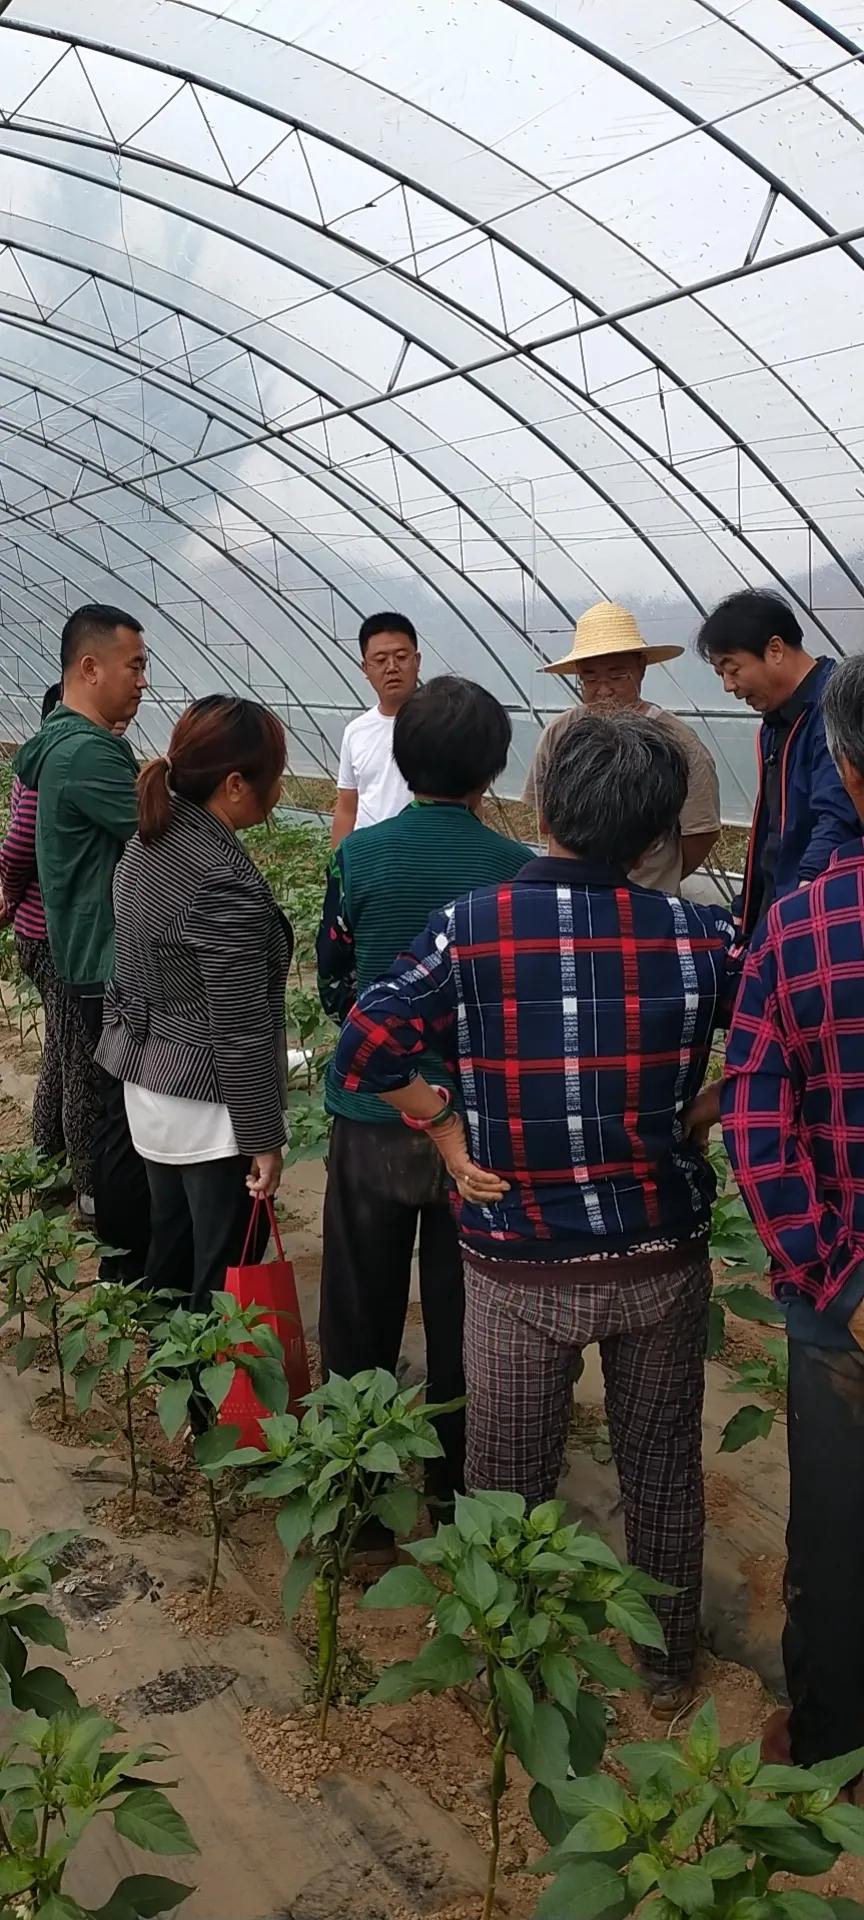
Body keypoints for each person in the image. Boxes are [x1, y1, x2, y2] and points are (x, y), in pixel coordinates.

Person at [332, 712, 737, 1710]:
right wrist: (702, 1108)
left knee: (508, 1473)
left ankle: (503, 1661)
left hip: (519, 1260)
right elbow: (778, 1040)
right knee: (661, 1466)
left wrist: (445, 1127)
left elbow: (366, 1048)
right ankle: (669, 1664)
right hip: (659, 1253)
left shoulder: (474, 925)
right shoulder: (701, 934)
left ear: (542, 806)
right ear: (653, 834)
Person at [317, 676, 532, 1513]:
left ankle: (359, 1502)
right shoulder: (515, 872)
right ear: (492, 770)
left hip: (373, 1116)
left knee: (359, 1306)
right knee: (462, 1311)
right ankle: (454, 1492)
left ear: (402, 761)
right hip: (472, 1129)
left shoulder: (359, 856)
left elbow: (337, 980)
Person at [721, 652, 864, 1767]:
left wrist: (837, 1280)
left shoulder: (806, 926)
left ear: (847, 774)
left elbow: (759, 1131)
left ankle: (830, 1747)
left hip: (844, 1312)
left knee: (839, 1534)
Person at [97, 696, 292, 1312]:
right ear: (236, 785)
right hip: (209, 1111)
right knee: (223, 1281)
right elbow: (237, 1027)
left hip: (150, 1089)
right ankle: (214, 1410)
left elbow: (124, 972)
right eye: (274, 774)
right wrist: (265, 1136)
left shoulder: (147, 844)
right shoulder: (218, 877)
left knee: (173, 1253)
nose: (281, 786)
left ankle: (173, 1387)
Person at [15, 605, 150, 1276]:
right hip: (109, 957)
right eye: (135, 666)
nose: (143, 681)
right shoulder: (87, 752)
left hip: (87, 952)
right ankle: (126, 1264)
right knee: (123, 1118)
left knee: (104, 1101)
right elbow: (161, 832)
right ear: (89, 668)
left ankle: (116, 1247)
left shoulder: (65, 747)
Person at [525, 601, 720, 891]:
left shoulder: (679, 741)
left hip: (647, 899)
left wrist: (659, 877)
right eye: (590, 677)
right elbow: (545, 814)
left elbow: (701, 831)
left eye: (617, 676)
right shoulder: (559, 733)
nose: (604, 689)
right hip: (570, 893)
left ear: (641, 669)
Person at [696, 590, 858, 939]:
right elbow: (771, 832)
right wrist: (747, 912)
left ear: (775, 649)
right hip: (778, 915)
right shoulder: (775, 723)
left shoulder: (835, 709)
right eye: (719, 674)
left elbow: (837, 815)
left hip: (814, 916)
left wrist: (802, 897)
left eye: (732, 669)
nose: (728, 686)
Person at [0, 684, 98, 1203]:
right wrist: (11, 897)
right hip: (52, 934)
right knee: (78, 1060)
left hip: (43, 931)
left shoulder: (45, 763)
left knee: (63, 1051)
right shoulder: (53, 769)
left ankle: (47, 1164)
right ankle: (87, 1189)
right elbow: (16, 848)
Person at [331, 613, 421, 846]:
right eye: (380, 660)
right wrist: (336, 866)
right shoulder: (356, 732)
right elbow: (347, 808)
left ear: (417, 661)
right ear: (365, 667)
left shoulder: (441, 723)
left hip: (424, 854)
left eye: (401, 657)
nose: (392, 668)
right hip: (369, 857)